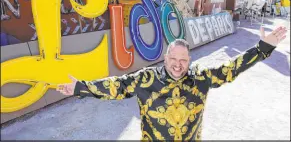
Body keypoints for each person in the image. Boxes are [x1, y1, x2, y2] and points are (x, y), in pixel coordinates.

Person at [57, 26, 287, 140]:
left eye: (183, 60)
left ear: (190, 60)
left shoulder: (201, 78)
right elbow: (116, 85)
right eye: (173, 59)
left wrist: (262, 48)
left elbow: (232, 68)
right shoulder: (146, 80)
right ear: (165, 58)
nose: (178, 64)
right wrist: (80, 87)